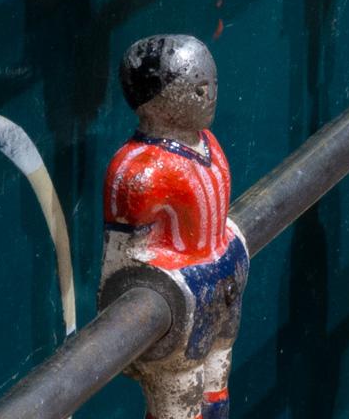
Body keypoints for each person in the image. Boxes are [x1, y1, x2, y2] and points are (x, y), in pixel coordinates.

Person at [101, 36, 249, 419]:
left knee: (218, 389)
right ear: (155, 100)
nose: (210, 96)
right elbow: (120, 266)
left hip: (224, 280)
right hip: (185, 300)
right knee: (179, 404)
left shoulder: (208, 144)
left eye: (212, 85)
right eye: (199, 89)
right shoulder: (138, 171)